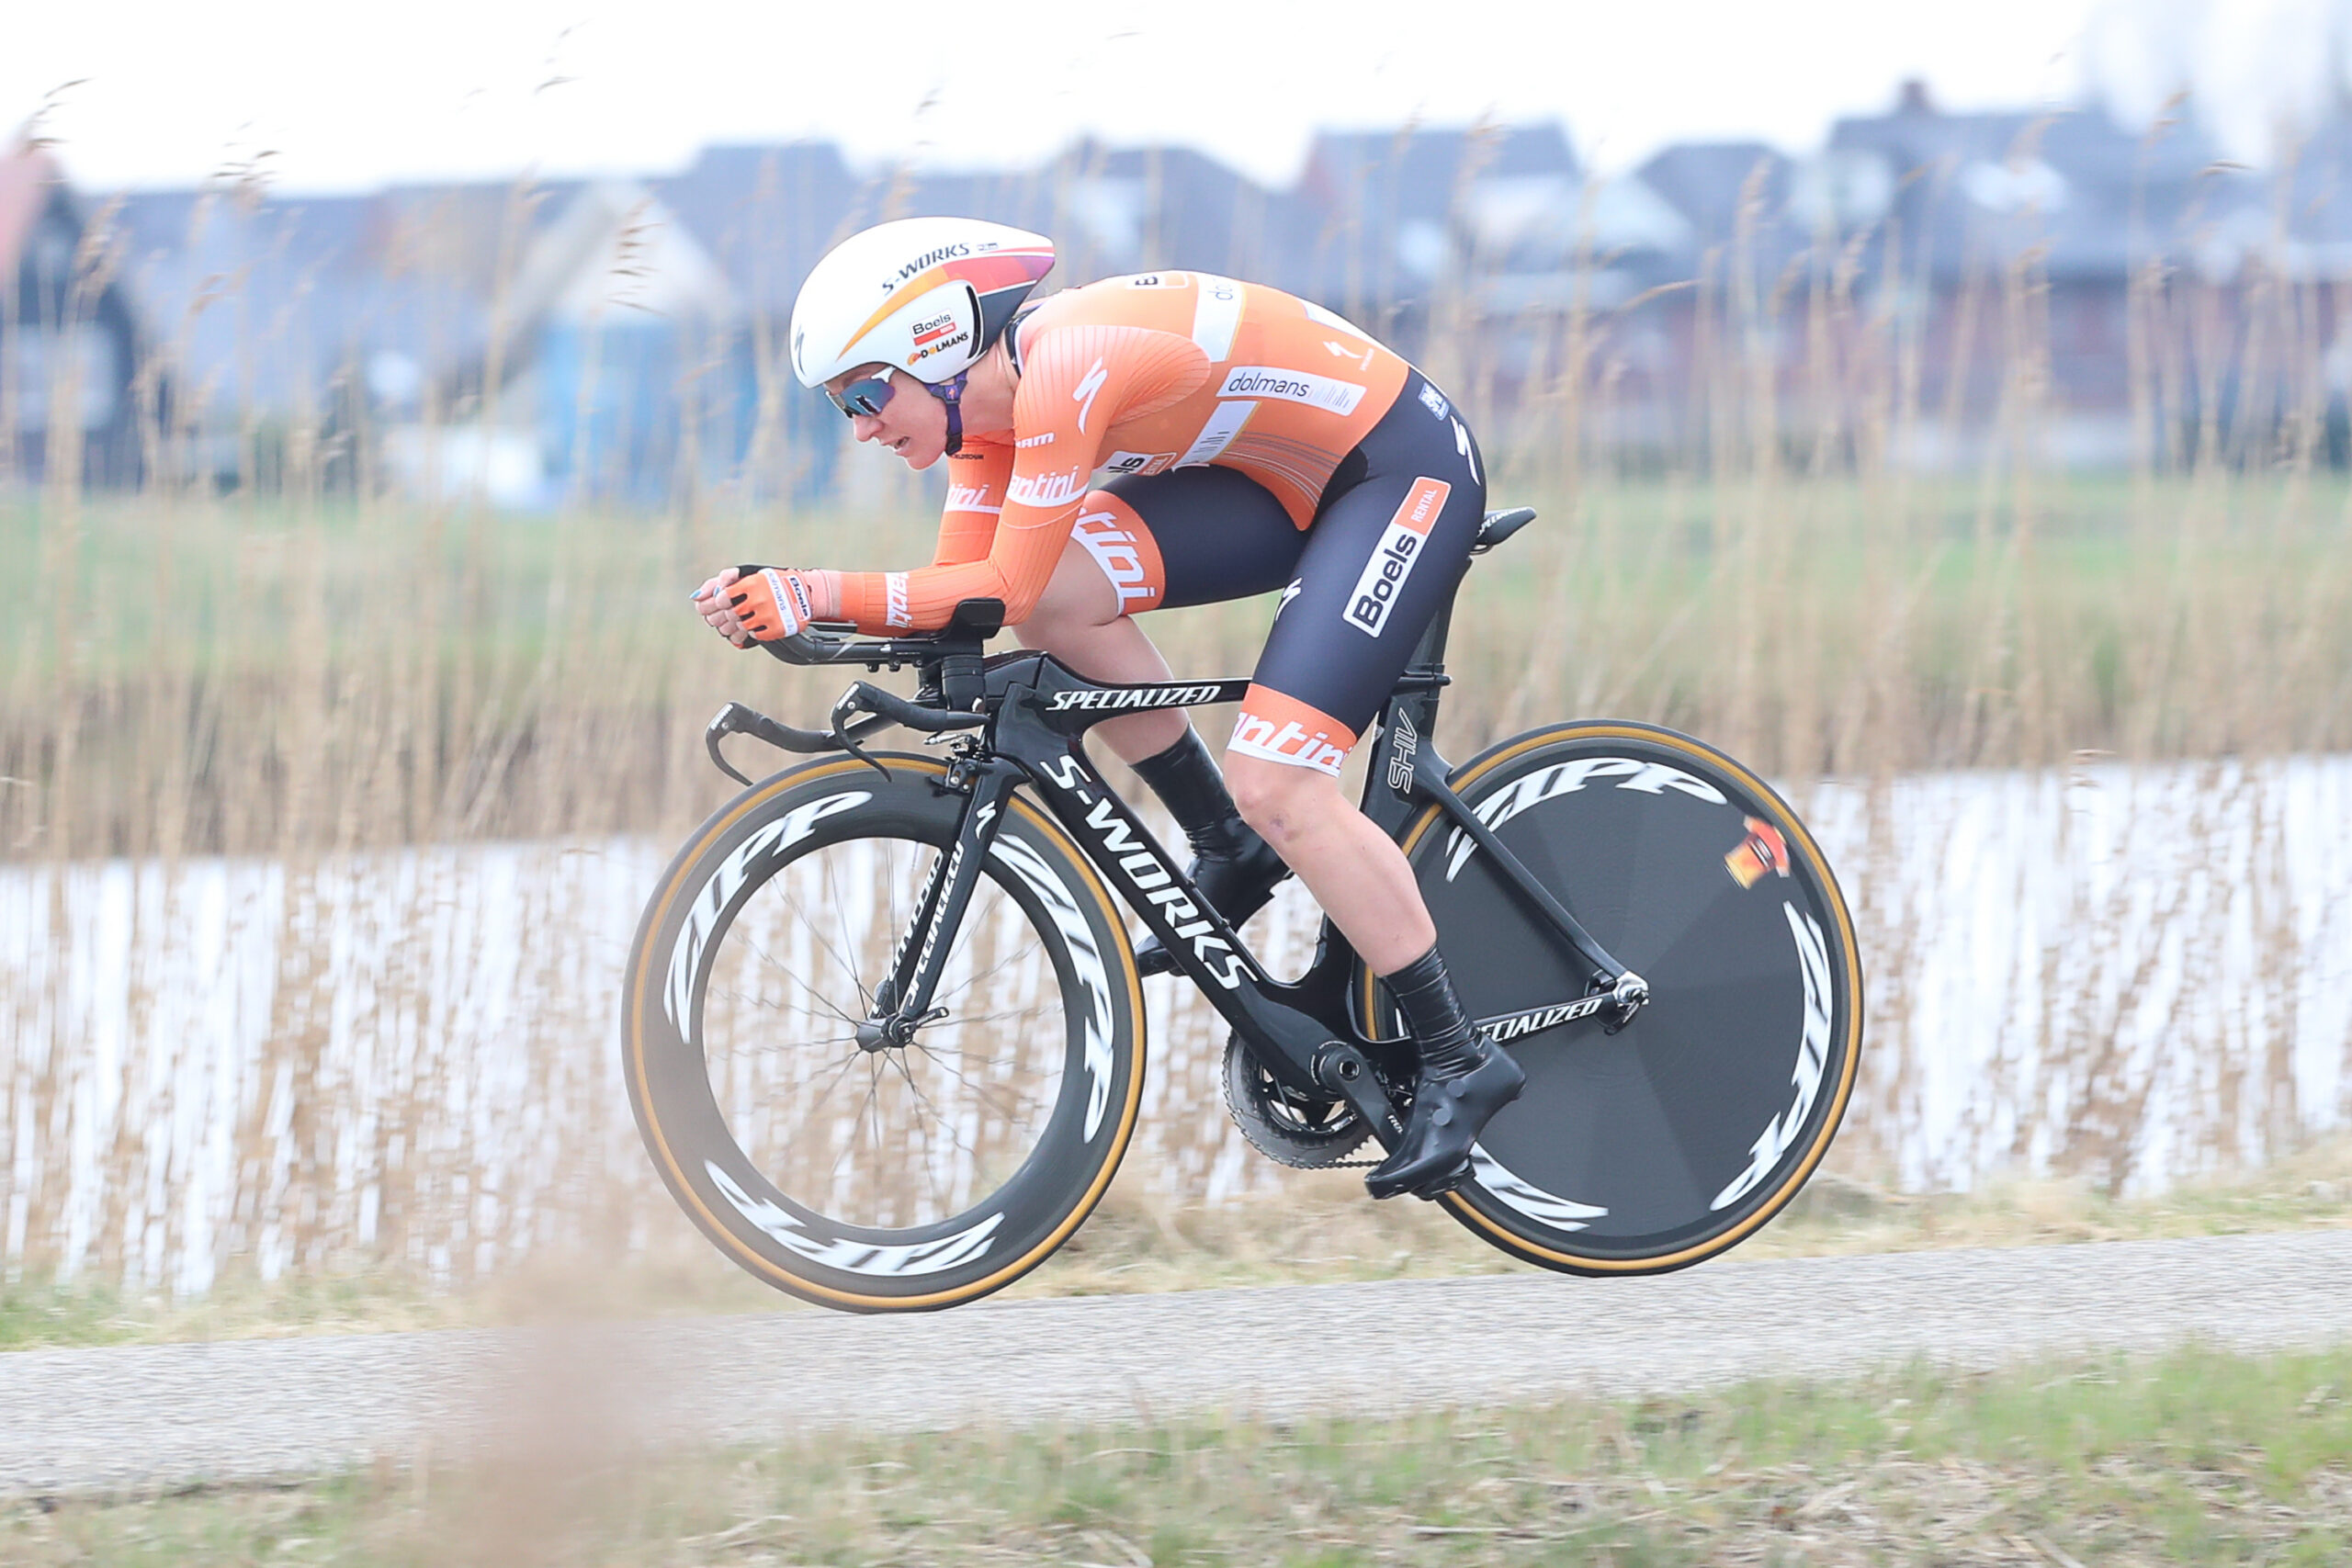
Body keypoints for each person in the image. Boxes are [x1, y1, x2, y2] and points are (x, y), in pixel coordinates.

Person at [692, 216, 1520, 1200]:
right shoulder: (983, 428)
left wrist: (817, 589)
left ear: (935, 346)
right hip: (1271, 481)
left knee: (1282, 782)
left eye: (866, 393)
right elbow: (971, 596)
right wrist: (799, 619)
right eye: (844, 409)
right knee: (1054, 602)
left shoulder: (1066, 368)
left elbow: (986, 586)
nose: (863, 426)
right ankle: (1226, 845)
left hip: (1397, 471)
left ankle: (1460, 1056)